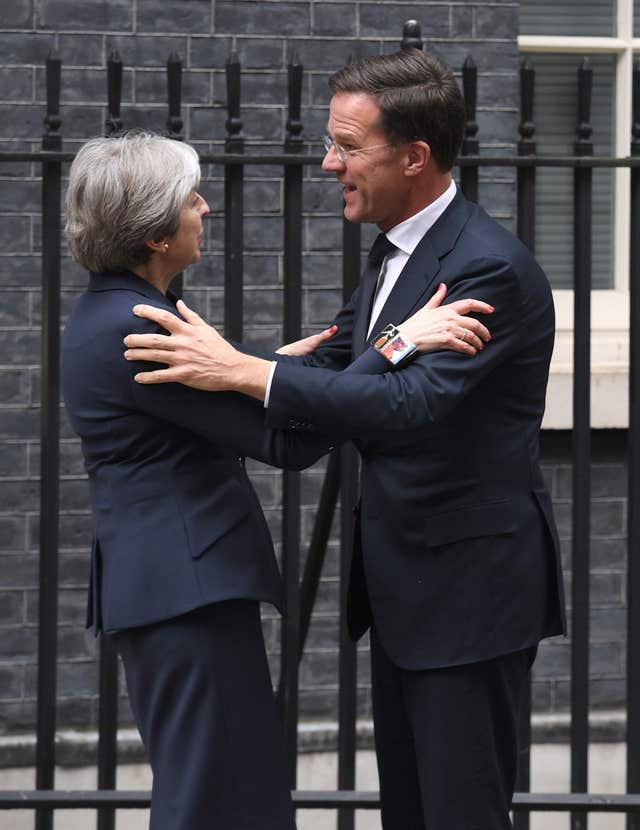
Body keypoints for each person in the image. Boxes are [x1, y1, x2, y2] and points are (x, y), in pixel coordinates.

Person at [123, 50, 567, 830]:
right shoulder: (398, 249)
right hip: (409, 595)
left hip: (470, 598)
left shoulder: (488, 269)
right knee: (409, 811)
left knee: (460, 814)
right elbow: (344, 356)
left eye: (348, 146)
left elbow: (403, 405)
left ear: (414, 156)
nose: (330, 162)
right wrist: (235, 366)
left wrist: (240, 374)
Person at [61, 130, 492, 830]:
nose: (205, 208)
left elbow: (212, 404)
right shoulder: (140, 327)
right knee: (217, 800)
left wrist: (265, 366)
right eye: (189, 199)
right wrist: (400, 342)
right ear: (152, 232)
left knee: (227, 790)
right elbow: (286, 440)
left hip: (170, 590)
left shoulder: (115, 313)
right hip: (185, 596)